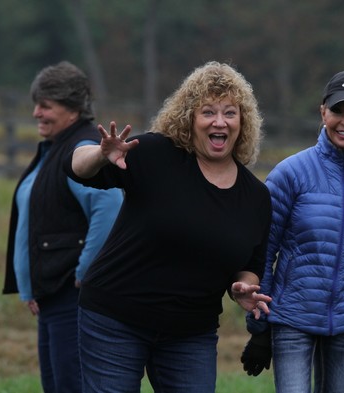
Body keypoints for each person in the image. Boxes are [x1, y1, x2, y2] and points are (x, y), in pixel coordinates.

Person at [63, 61, 273, 393]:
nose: (219, 121)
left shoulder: (256, 197)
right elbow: (76, 168)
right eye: (208, 112)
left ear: (242, 122)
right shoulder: (155, 155)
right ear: (189, 119)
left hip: (190, 333)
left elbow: (251, 264)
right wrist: (101, 156)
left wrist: (243, 287)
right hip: (115, 318)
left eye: (230, 113)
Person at [241, 70, 344, 393]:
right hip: (293, 319)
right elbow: (264, 252)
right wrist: (259, 328)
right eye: (338, 111)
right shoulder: (290, 173)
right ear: (323, 112)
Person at [2, 61, 124, 392]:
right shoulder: (54, 149)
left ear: (72, 109)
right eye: (35, 104)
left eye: (46, 105)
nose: (36, 113)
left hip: (72, 297)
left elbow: (109, 206)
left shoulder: (80, 149)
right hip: (53, 295)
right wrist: (30, 286)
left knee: (72, 386)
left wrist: (85, 271)